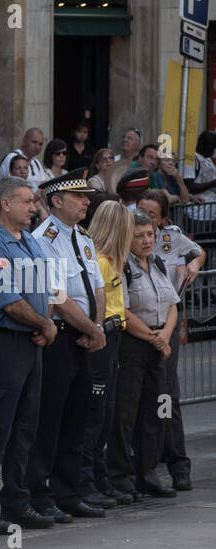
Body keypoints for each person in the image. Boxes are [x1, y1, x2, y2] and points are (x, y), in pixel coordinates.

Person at [0, 177, 60, 534]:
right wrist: (45, 325)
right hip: (1, 345)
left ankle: (16, 503)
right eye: (27, 202)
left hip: (29, 342)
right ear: (5, 204)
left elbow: (42, 289)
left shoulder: (30, 240)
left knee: (24, 429)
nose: (33, 208)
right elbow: (8, 302)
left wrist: (45, 322)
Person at [27, 173, 108, 523]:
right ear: (56, 200)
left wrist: (98, 328)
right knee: (50, 418)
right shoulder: (43, 239)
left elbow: (97, 287)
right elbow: (57, 296)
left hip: (85, 336)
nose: (87, 201)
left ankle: (68, 491)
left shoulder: (84, 237)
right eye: (79, 196)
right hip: (60, 336)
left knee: (77, 415)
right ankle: (40, 494)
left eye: (87, 196)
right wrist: (92, 329)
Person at [109, 212, 180, 499]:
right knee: (126, 413)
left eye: (150, 234)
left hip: (158, 341)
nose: (147, 240)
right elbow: (122, 310)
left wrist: (165, 335)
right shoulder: (121, 266)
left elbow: (173, 303)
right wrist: (154, 338)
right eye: (139, 235)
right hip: (134, 343)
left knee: (156, 410)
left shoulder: (158, 263)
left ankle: (147, 473)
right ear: (127, 238)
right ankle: (120, 477)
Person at [134, 191, 200, 491]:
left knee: (166, 397)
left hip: (165, 324)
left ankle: (177, 463)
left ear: (162, 219)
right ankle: (140, 466)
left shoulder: (170, 238)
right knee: (136, 401)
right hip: (135, 327)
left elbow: (197, 252)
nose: (146, 218)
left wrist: (195, 264)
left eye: (152, 215)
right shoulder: (128, 235)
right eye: (141, 210)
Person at [81, 200, 133, 509]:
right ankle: (85, 480)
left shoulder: (112, 261)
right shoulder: (100, 261)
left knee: (106, 414)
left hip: (114, 338)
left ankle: (98, 477)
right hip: (102, 340)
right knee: (95, 413)